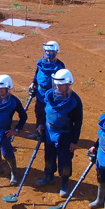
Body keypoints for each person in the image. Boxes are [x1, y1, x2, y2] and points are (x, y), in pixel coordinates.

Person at [36, 69, 83, 197]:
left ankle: (64, 182)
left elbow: (78, 122)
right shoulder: (50, 95)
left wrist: (74, 141)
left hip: (65, 134)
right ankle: (49, 176)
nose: (57, 86)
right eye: (56, 83)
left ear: (68, 83)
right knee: (49, 156)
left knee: (64, 160)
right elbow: (46, 112)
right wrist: (41, 123)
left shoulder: (75, 100)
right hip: (49, 132)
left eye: (61, 84)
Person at [0, 75, 28, 184]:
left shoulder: (14, 101)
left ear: (8, 87)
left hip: (4, 132)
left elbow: (23, 116)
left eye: (2, 88)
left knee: (7, 153)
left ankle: (14, 173)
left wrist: (16, 130)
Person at [27, 41, 66, 138]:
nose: (48, 53)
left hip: (52, 94)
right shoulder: (41, 62)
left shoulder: (60, 66)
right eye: (47, 51)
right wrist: (33, 83)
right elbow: (37, 73)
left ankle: (45, 134)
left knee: (48, 113)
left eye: (51, 51)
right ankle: (37, 132)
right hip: (40, 92)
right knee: (39, 112)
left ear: (56, 52)